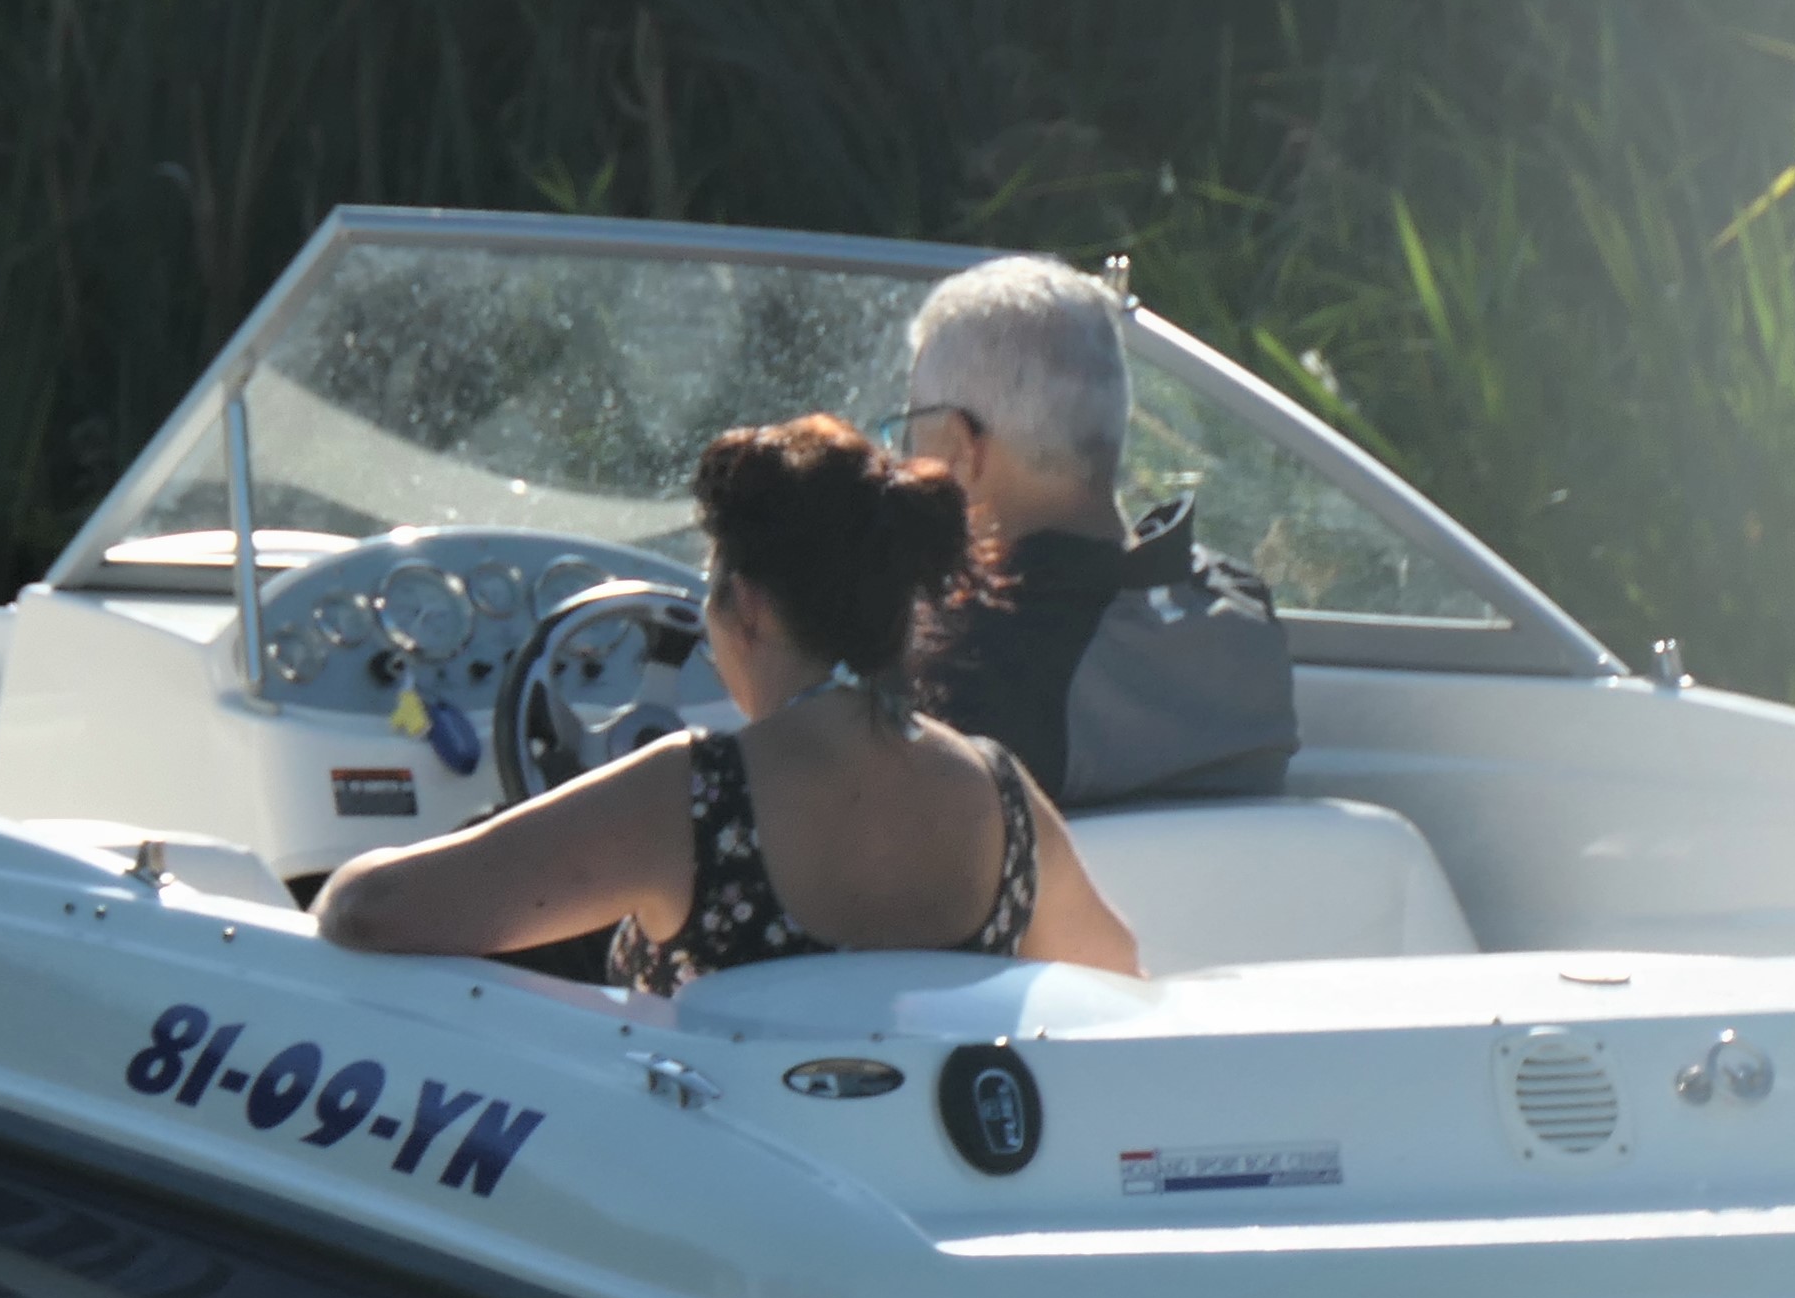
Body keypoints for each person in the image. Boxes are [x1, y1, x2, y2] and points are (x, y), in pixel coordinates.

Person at [317, 415, 1140, 984]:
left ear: (745, 607)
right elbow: (1116, 976)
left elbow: (366, 912)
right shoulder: (1002, 798)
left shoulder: (694, 797)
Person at [888, 255, 1297, 805]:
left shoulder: (959, 666)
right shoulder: (1243, 620)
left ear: (963, 447)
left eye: (910, 432)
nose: (902, 460)